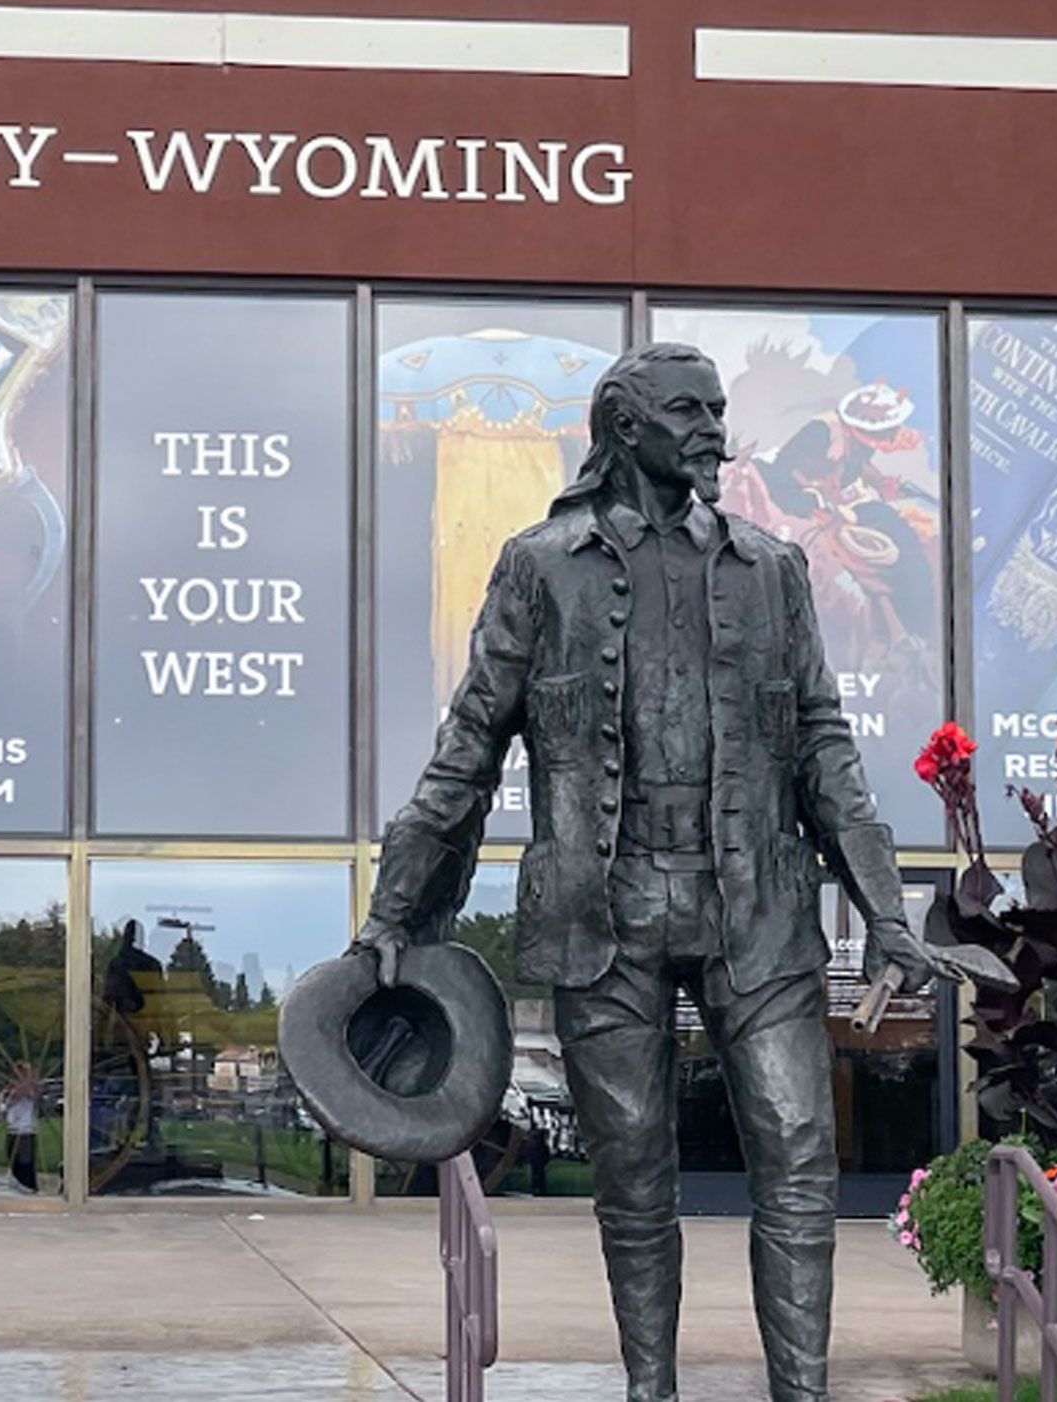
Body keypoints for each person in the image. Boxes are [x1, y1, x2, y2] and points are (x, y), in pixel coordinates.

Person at [351, 344, 970, 1402]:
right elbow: (468, 745)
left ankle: (801, 1392)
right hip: (604, 913)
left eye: (720, 410)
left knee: (795, 1154)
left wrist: (883, 906)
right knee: (633, 1173)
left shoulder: (772, 566)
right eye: (689, 411)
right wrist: (394, 909)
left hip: (757, 911)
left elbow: (824, 745)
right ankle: (651, 1390)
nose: (714, 430)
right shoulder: (539, 563)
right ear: (622, 427)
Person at [2, 1071, 41, 1193]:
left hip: (26, 1132)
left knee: (26, 1163)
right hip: (12, 1132)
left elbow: (34, 1096)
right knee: (14, 1162)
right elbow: (3, 1108)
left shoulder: (31, 1091)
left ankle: (29, 1188)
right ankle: (19, 1186)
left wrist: (29, 1086)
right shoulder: (7, 1094)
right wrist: (13, 1094)